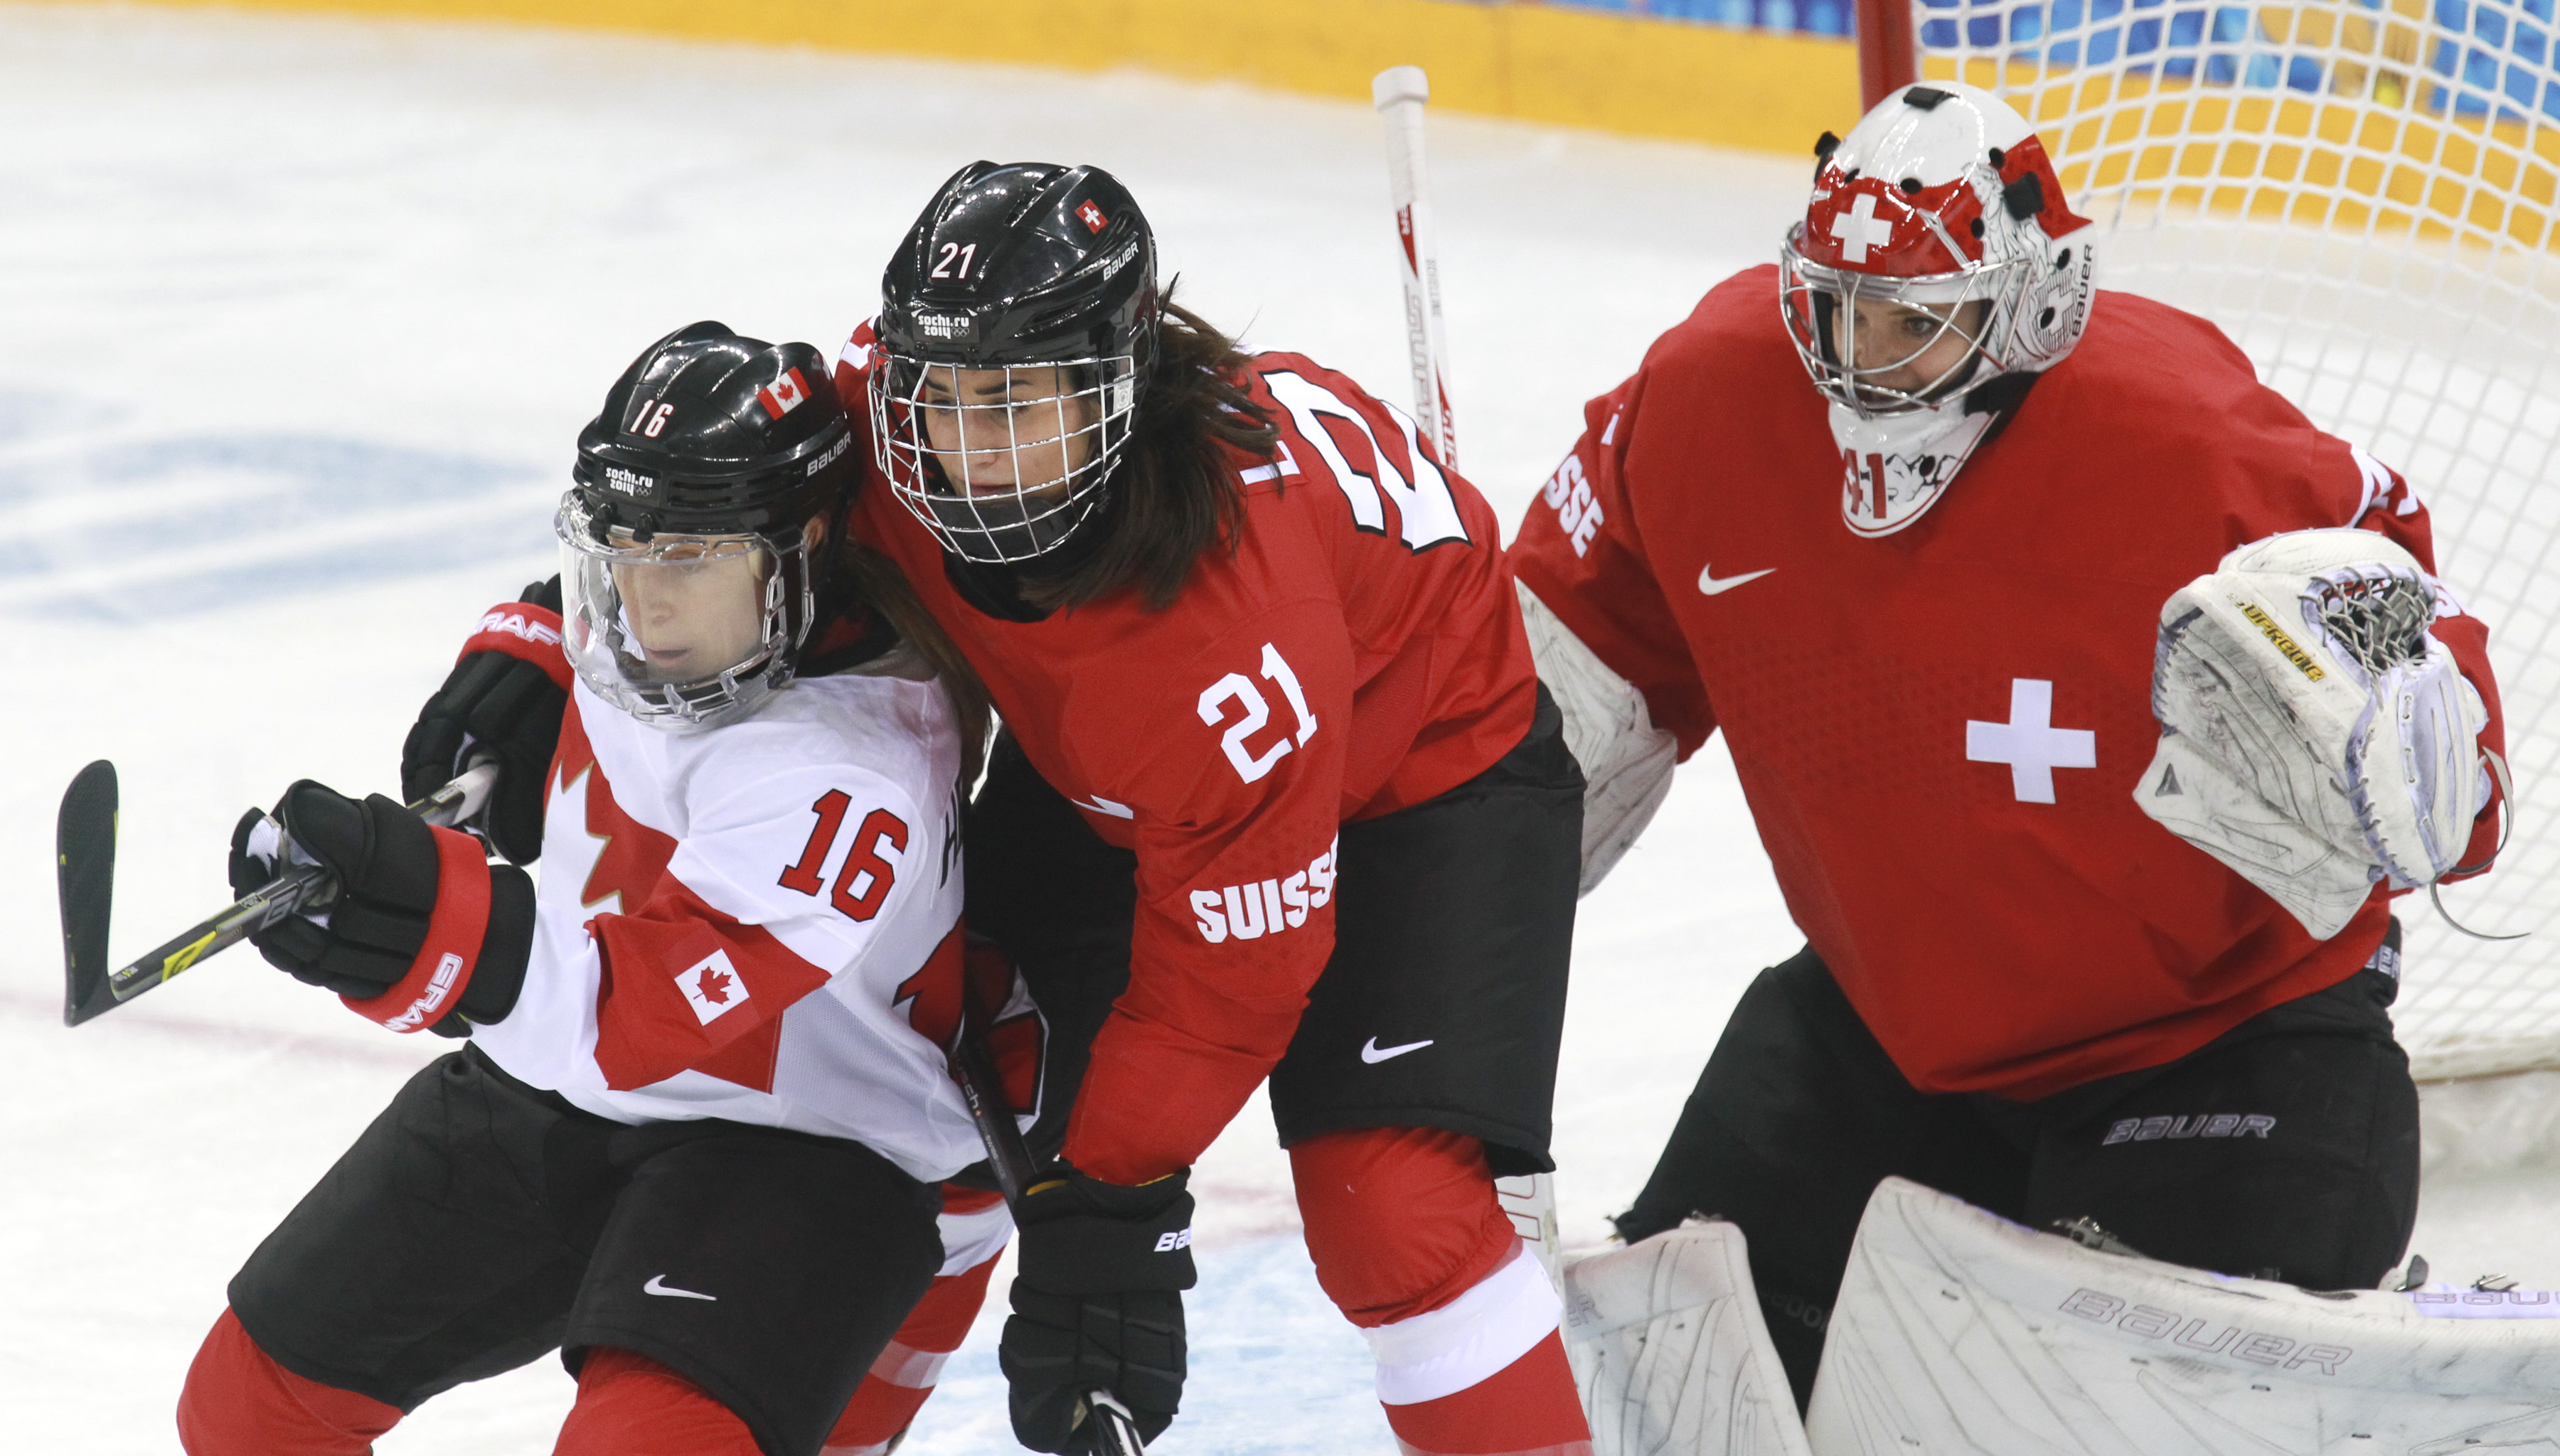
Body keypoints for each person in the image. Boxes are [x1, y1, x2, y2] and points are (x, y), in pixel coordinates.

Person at [1508, 81, 2508, 1403]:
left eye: (1910, 326)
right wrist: (1467, 833)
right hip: (1892, 1027)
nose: (1857, 359)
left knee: (2152, 1405)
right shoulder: (1707, 399)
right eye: (1833, 309)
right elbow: (1565, 674)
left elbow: (2435, 713)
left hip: (2225, 1038)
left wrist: (2411, 739)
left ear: (2029, 305)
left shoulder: (2189, 445)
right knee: (1678, 1370)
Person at [832, 161, 1592, 1456]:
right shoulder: (889, 436)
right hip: (1124, 776)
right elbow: (720, 502)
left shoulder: (1234, 640)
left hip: (1426, 770)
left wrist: (1113, 1202)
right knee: (927, 1101)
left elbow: (1229, 984)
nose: (966, 450)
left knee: (1391, 1212)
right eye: (943, 398)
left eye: (1016, 403)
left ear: (1116, 391)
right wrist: (548, 638)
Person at [174, 323, 1036, 1456]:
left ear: (803, 547)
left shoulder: (857, 768)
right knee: (248, 1411)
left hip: (815, 1142)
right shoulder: (683, 620)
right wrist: (530, 636)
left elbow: (643, 1013)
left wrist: (430, 936)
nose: (644, 601)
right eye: (622, 547)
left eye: (687, 556)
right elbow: (588, 1021)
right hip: (560, 1083)